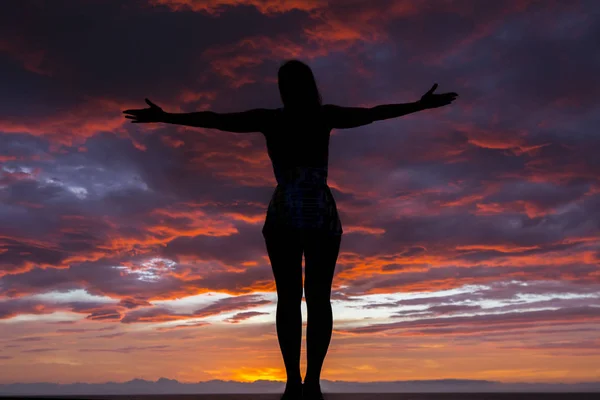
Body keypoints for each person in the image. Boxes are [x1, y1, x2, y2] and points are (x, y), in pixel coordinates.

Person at [123, 59, 458, 400]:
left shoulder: (273, 119)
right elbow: (374, 112)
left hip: (286, 211)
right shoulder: (322, 116)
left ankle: (294, 384)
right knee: (317, 298)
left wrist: (167, 117)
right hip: (319, 213)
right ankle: (310, 383)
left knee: (289, 299)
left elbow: (216, 121)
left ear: (283, 87)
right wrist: (418, 106)